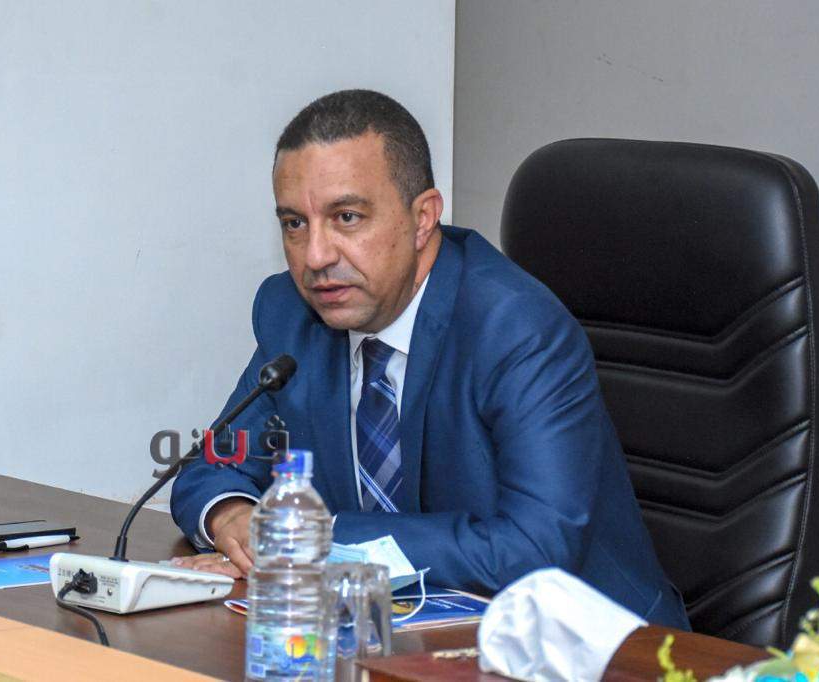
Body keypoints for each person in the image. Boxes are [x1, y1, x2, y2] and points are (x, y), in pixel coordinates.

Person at [169, 89, 689, 628]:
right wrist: (233, 516)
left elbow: (536, 548)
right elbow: (212, 467)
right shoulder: (292, 313)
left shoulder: (515, 328)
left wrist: (315, 540)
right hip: (403, 633)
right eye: (294, 223)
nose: (316, 256)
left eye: (347, 217)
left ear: (423, 218)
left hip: (590, 643)